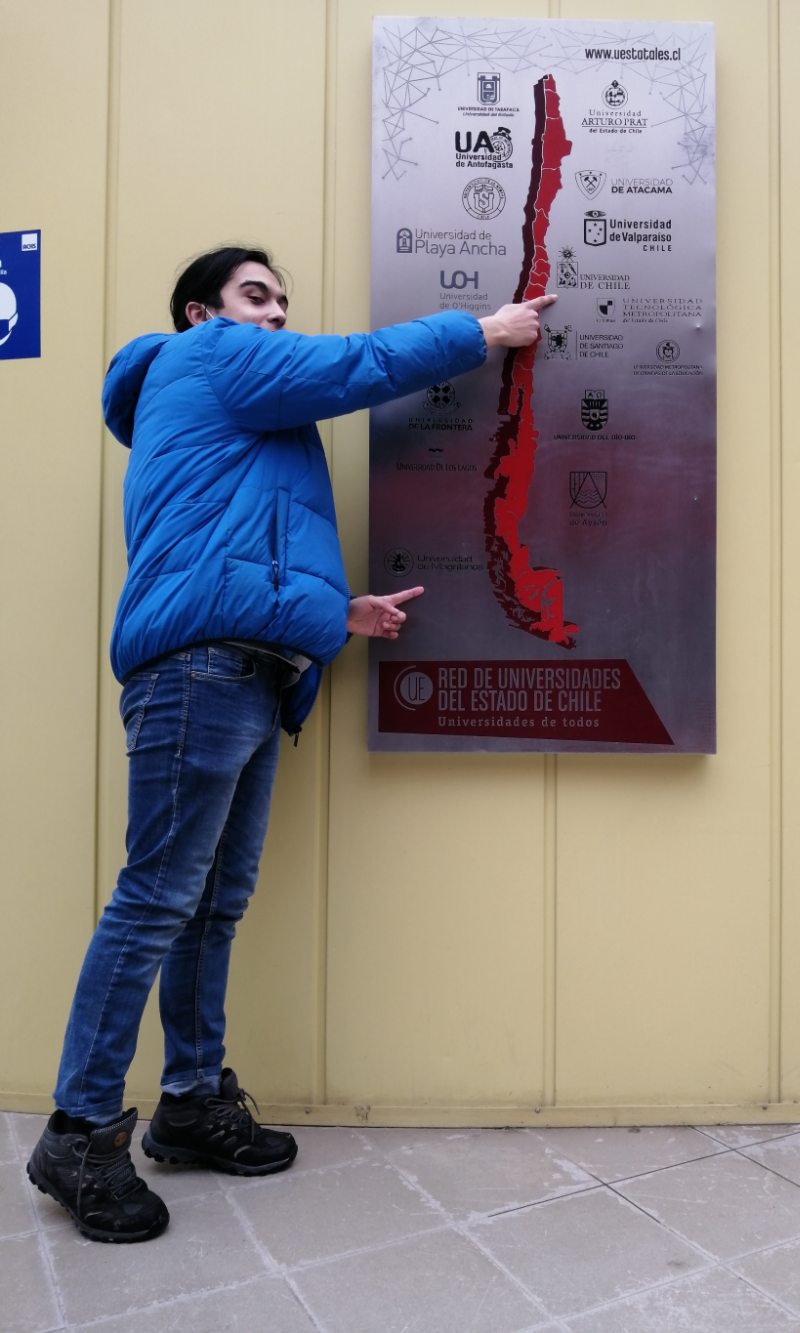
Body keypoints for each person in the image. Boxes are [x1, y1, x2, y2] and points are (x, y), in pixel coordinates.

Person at [26, 245, 556, 1243]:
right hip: (200, 668)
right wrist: (480, 334)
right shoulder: (209, 358)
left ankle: (187, 1103)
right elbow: (353, 365)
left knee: (208, 906)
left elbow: (242, 536)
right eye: (254, 297)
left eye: (281, 303)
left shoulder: (237, 412)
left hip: (248, 664)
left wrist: (333, 610)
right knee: (155, 900)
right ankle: (80, 1131)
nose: (272, 316)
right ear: (201, 312)